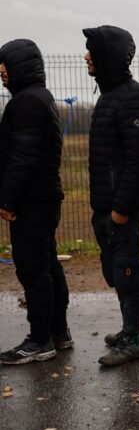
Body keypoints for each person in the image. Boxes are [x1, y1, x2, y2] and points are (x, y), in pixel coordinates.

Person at [83, 26, 139, 366]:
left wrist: (122, 210)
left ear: (106, 56)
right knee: (114, 271)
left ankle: (133, 338)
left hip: (122, 209)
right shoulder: (108, 97)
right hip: (105, 207)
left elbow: (138, 161)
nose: (86, 56)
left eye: (91, 51)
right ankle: (131, 328)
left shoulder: (132, 97)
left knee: (127, 269)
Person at [0, 39, 71, 364]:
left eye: (5, 65)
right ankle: (59, 333)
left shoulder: (26, 103)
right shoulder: (39, 98)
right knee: (48, 264)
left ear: (20, 66)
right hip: (43, 197)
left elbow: (23, 158)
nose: (1, 72)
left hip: (31, 201)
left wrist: (7, 200)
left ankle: (40, 340)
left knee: (33, 269)